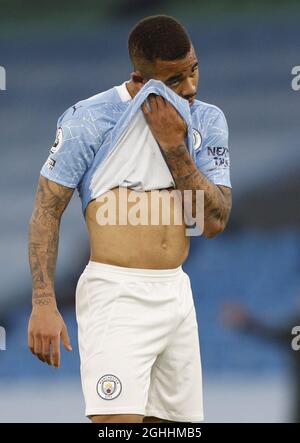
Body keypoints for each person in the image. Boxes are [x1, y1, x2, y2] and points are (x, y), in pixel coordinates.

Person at [28, 15, 232, 423]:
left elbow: (212, 223)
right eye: (174, 80)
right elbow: (47, 211)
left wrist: (176, 149)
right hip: (116, 294)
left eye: (193, 70)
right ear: (140, 78)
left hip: (176, 293)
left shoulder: (206, 120)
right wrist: (43, 303)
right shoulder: (90, 119)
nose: (190, 88)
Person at [222, 301, 300, 423]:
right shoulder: (296, 327)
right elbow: (271, 332)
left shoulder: (296, 327)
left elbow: (271, 332)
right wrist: (247, 322)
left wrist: (247, 322)